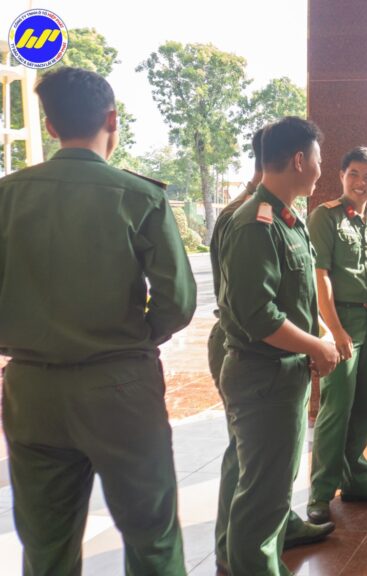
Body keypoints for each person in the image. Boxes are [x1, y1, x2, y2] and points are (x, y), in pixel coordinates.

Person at [0, 67, 194, 575]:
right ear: (112, 119)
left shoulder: (6, 195)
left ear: (49, 125)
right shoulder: (140, 195)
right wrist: (138, 336)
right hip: (119, 387)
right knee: (152, 538)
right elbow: (177, 301)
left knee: (46, 545)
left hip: (31, 391)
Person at [217, 116, 340, 575]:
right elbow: (258, 316)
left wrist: (313, 338)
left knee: (269, 487)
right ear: (299, 160)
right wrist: (316, 346)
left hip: (280, 374)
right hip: (263, 375)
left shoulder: (287, 219)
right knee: (262, 498)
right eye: (319, 161)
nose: (321, 171)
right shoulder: (256, 223)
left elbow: (292, 299)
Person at [307, 146, 367, 525]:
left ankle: (356, 480)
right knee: (336, 408)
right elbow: (320, 277)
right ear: (341, 176)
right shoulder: (324, 217)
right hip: (341, 320)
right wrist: (335, 330)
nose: (361, 182)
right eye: (354, 174)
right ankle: (320, 493)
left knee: (363, 408)